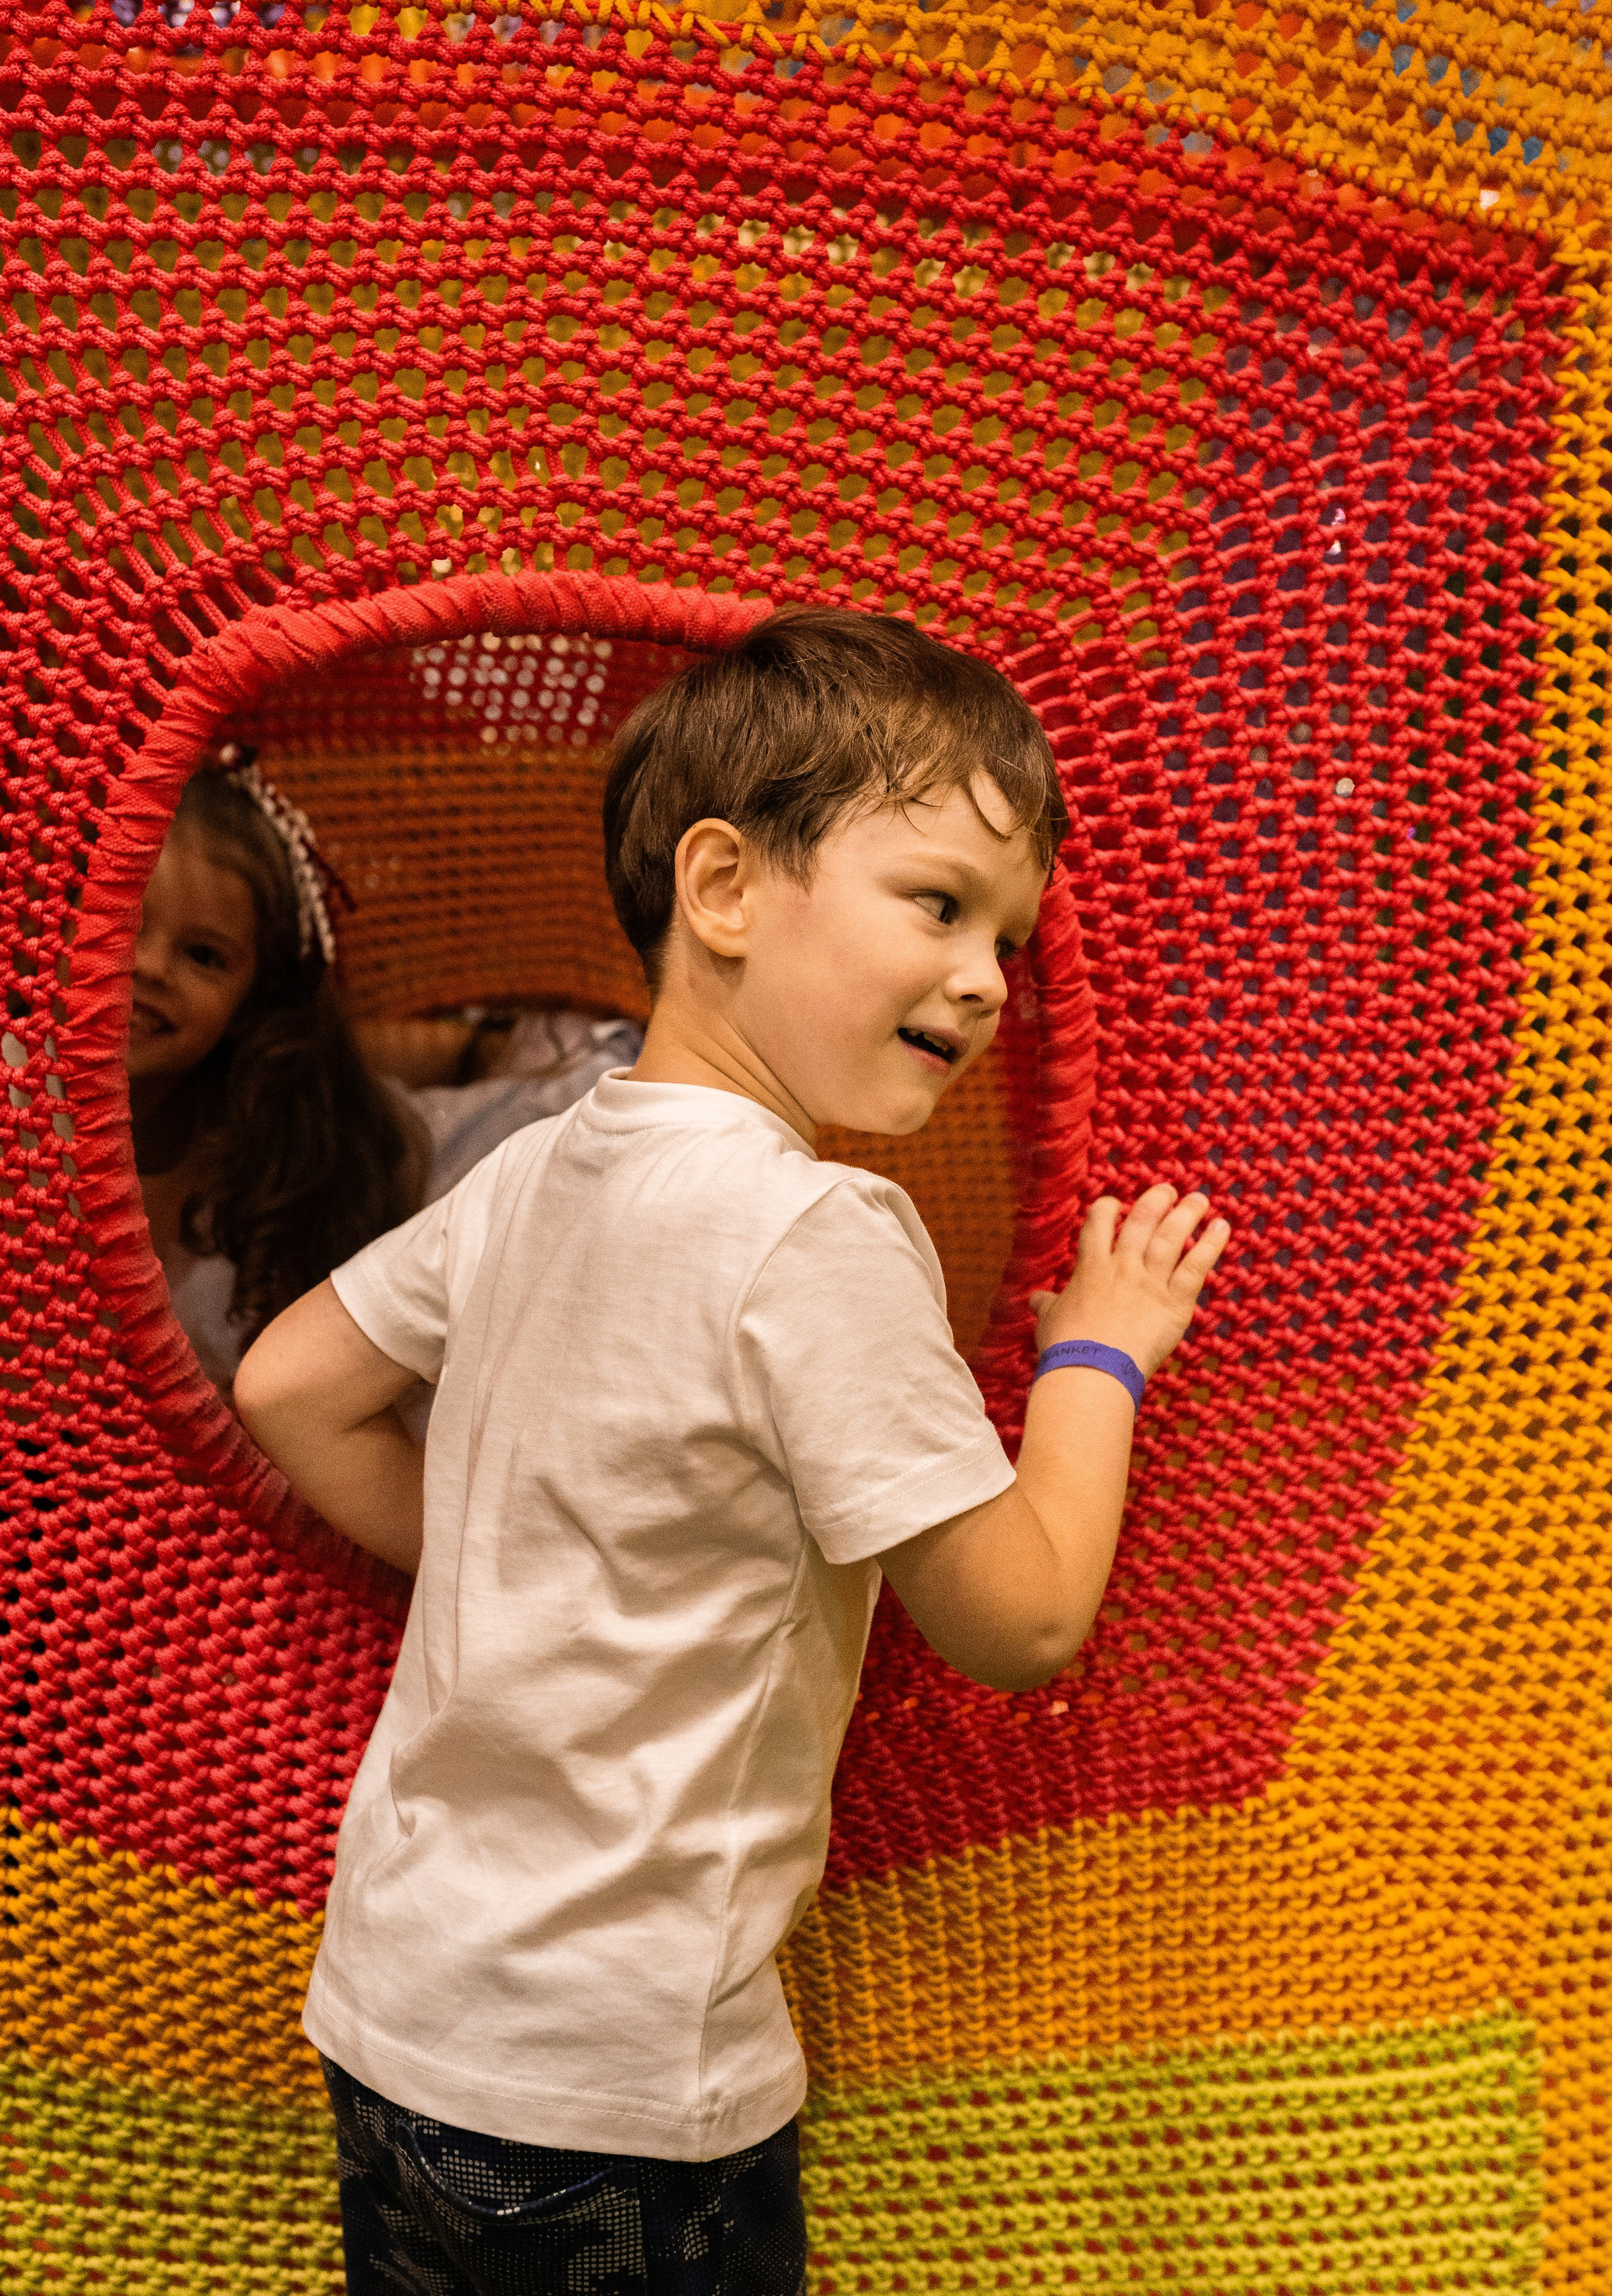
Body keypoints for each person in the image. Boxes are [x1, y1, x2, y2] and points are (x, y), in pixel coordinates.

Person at [234, 609, 1230, 2296]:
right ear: (724, 891)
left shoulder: (536, 1171)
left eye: (1009, 939)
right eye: (939, 903)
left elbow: (289, 1388)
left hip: (395, 2013)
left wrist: (515, 1555)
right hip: (618, 2089)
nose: (988, 977)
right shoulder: (820, 1232)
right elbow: (1022, 1617)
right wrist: (1094, 1356)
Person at [128, 755, 642, 1391]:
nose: (149, 968)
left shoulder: (271, 1131)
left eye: (204, 956)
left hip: (431, 1164)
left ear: (247, 1004)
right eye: (123, 923)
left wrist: (474, 1051)